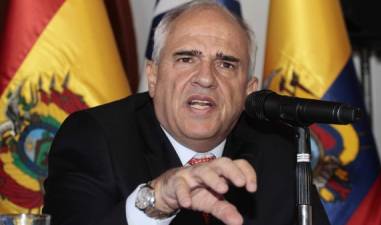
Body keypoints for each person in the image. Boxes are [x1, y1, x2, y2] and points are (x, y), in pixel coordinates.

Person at [43, 1, 331, 225]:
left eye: (226, 64)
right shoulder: (95, 137)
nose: (205, 78)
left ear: (249, 90)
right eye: (186, 58)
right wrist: (154, 202)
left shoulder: (280, 148)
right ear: (153, 77)